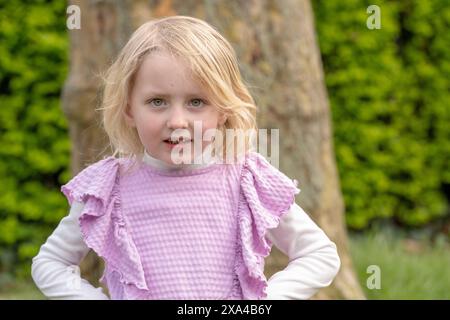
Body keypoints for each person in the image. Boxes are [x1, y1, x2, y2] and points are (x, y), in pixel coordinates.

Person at [31, 15, 340, 300]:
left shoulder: (246, 178)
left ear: (223, 110)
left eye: (196, 102)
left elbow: (319, 254)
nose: (177, 121)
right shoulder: (109, 186)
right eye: (157, 102)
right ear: (129, 109)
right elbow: (51, 263)